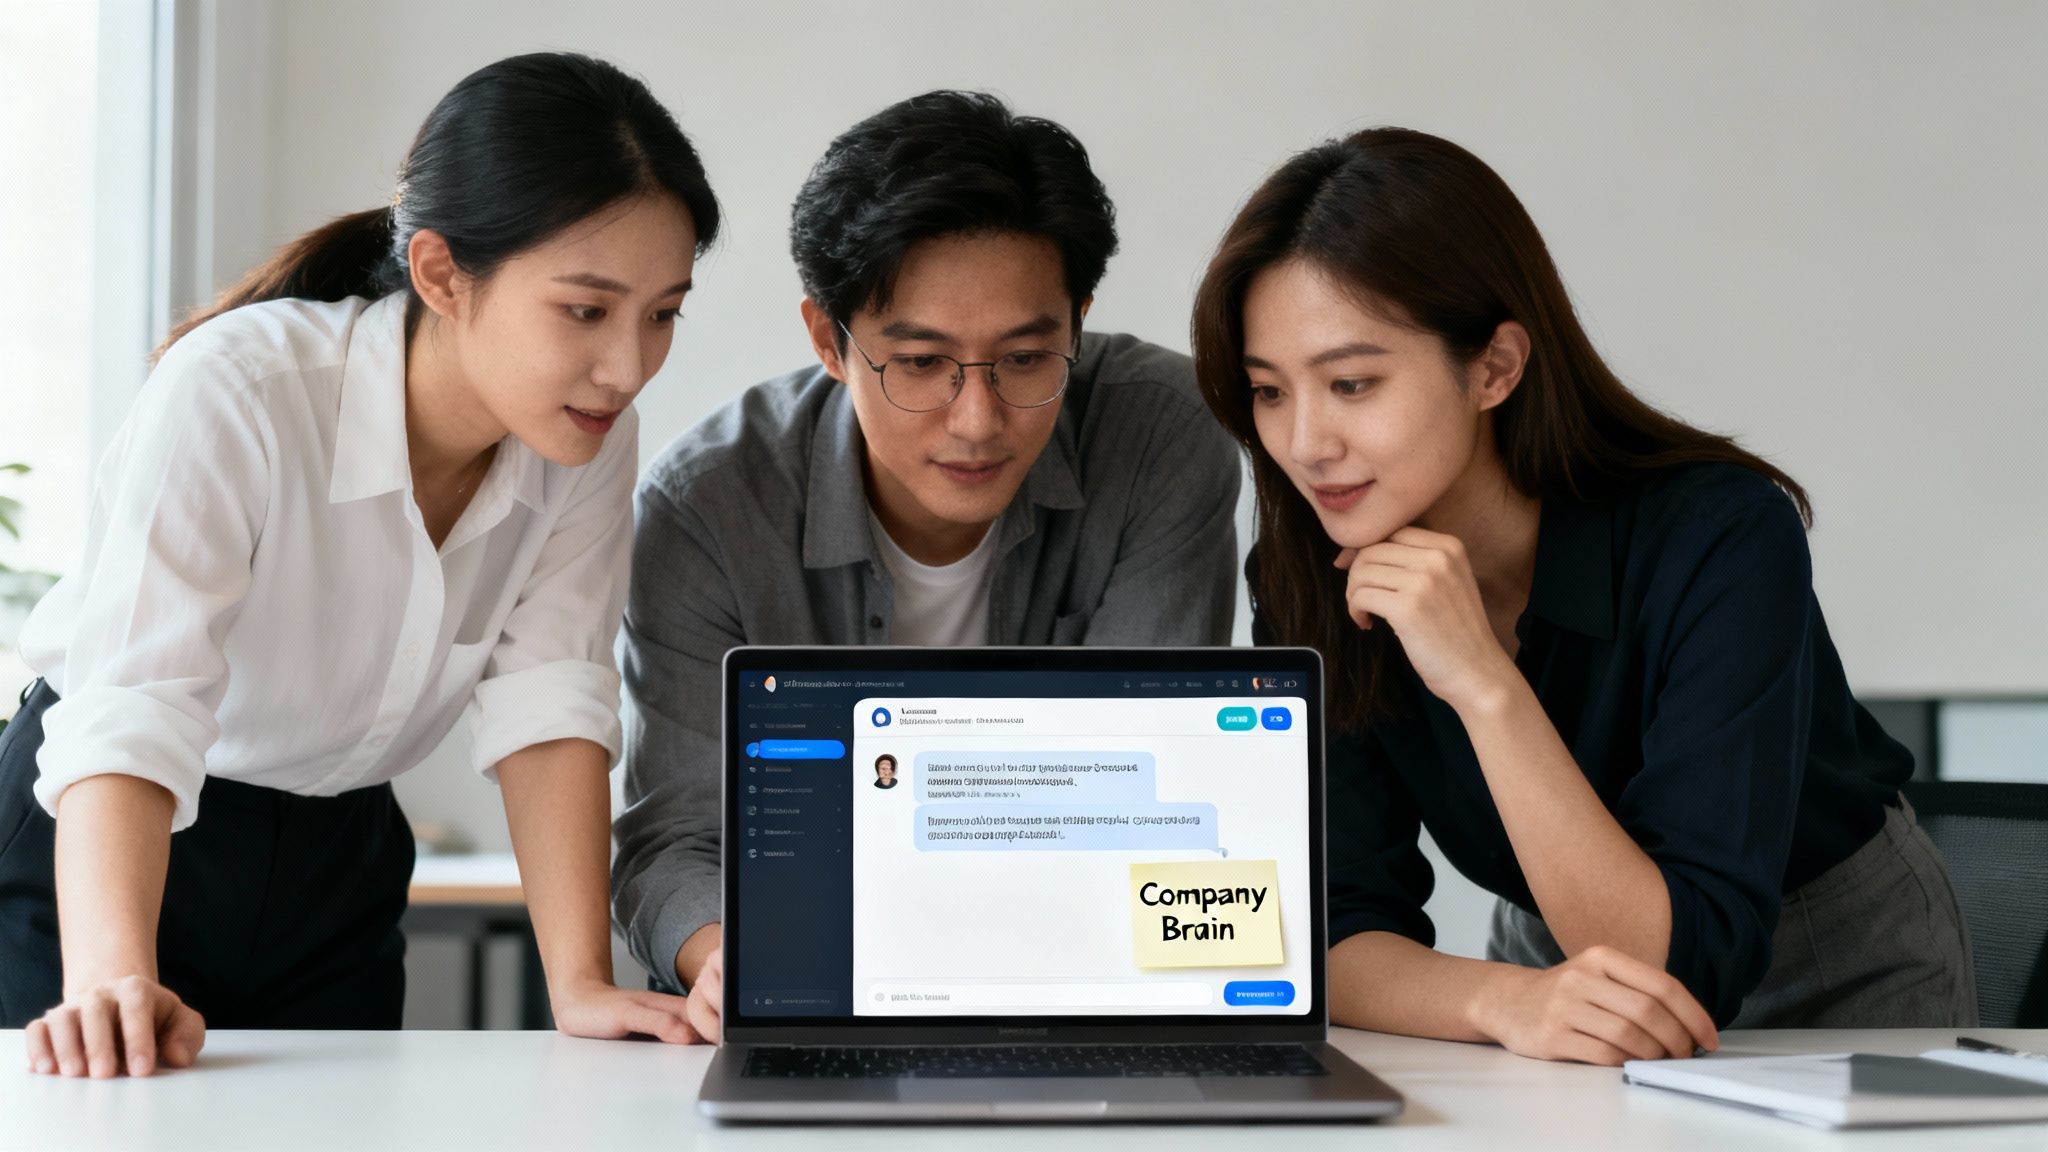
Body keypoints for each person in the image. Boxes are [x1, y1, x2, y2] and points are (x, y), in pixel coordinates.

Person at [1, 52, 723, 1078]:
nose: (628, 365)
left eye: (662, 313)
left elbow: (550, 695)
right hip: (118, 834)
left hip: (341, 860)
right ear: (439, 273)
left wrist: (578, 982)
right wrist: (109, 972)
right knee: (101, 1107)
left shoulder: (587, 436)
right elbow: (134, 704)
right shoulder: (244, 389)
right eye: (584, 310)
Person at [1190, 127, 1974, 1066]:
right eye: (1268, 392)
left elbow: (1683, 961)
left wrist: (1481, 681)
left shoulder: (1718, 533)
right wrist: (1509, 1000)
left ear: (1495, 366)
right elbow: (1330, 936)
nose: (1305, 441)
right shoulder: (1309, 572)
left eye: (1352, 383)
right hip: (1560, 966)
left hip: (1835, 961)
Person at [611, 90, 1241, 1043]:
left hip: (1074, 990)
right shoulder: (708, 506)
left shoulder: (1156, 435)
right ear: (829, 339)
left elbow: (1145, 789)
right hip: (820, 994)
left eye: (1028, 359)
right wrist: (730, 954)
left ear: (1078, 321)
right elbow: (676, 840)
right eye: (919, 364)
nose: (979, 421)